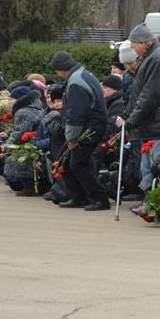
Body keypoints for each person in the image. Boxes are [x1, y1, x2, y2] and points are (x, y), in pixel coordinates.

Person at [118, 24, 160, 192]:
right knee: (147, 166)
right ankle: (147, 202)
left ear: (144, 43)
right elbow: (140, 93)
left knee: (154, 166)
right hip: (149, 123)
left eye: (134, 44)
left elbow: (149, 95)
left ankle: (152, 203)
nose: (133, 49)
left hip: (156, 123)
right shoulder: (150, 57)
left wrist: (130, 121)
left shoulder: (157, 59)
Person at [50, 51, 109, 211]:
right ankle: (79, 196)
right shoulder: (82, 74)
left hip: (88, 128)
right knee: (68, 162)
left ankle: (100, 199)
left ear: (61, 69)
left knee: (77, 164)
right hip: (92, 125)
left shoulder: (76, 82)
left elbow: (76, 114)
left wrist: (72, 139)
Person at [2, 84, 47, 195]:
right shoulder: (36, 108)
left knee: (15, 155)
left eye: (11, 99)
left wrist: (6, 146)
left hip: (31, 145)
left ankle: (29, 186)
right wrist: (8, 133)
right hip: (38, 141)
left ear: (19, 99)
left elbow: (19, 134)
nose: (9, 102)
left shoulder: (23, 112)